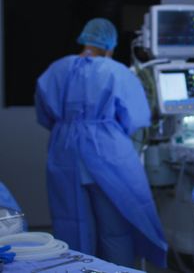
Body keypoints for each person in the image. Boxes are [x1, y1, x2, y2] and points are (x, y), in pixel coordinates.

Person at [35, 18, 167, 267]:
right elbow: (135, 118)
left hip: (65, 153)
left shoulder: (56, 70)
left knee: (71, 226)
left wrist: (69, 128)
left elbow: (45, 115)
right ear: (109, 45)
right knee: (116, 230)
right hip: (108, 153)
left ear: (85, 39)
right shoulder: (116, 72)